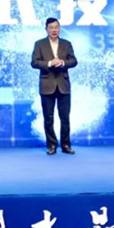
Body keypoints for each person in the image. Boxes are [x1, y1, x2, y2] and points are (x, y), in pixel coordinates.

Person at [31, 17, 78, 155]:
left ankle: (66, 145)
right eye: (51, 27)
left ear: (60, 28)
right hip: (47, 85)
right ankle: (51, 145)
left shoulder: (66, 44)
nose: (54, 30)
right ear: (46, 29)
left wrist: (62, 63)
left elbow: (74, 61)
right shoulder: (39, 44)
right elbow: (34, 63)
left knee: (65, 118)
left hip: (63, 85)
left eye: (56, 27)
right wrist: (50, 63)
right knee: (48, 118)